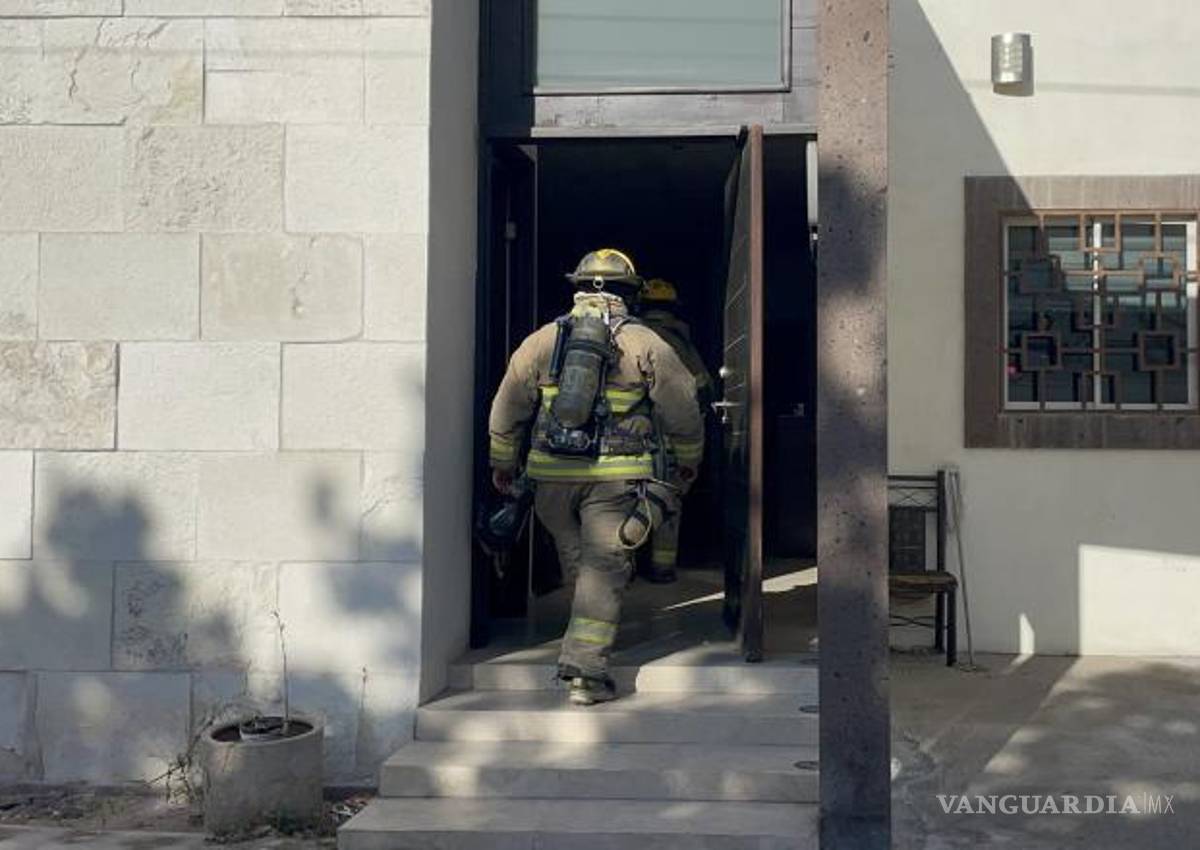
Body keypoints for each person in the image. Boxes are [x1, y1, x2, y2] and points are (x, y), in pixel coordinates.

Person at [488, 249, 704, 705]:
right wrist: (688, 459)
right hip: (615, 480)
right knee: (603, 569)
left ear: (579, 288)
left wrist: (503, 464)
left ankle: (582, 644)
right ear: (628, 292)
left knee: (582, 565)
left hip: (549, 480)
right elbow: (682, 406)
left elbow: (507, 408)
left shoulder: (541, 341)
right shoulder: (645, 342)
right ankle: (585, 672)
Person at [637, 278, 714, 583]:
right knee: (668, 500)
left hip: (627, 438)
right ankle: (662, 568)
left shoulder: (627, 337)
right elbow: (702, 387)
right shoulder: (680, 341)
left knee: (620, 502)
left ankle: (625, 566)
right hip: (669, 439)